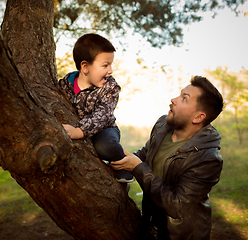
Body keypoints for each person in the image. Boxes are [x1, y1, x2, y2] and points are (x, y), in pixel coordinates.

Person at [111, 76, 224, 239]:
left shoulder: (207, 159)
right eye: (180, 94)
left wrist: (138, 168)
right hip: (151, 225)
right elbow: (145, 154)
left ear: (198, 117)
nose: (173, 100)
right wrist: (117, 159)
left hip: (181, 235)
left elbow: (177, 205)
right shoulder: (163, 125)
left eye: (184, 99)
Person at [59, 33, 134, 183]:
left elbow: (103, 115)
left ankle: (122, 164)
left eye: (111, 65)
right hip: (79, 126)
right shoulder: (66, 84)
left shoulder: (110, 87)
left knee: (106, 146)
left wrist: (79, 131)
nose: (111, 70)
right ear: (85, 67)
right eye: (105, 65)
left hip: (104, 129)